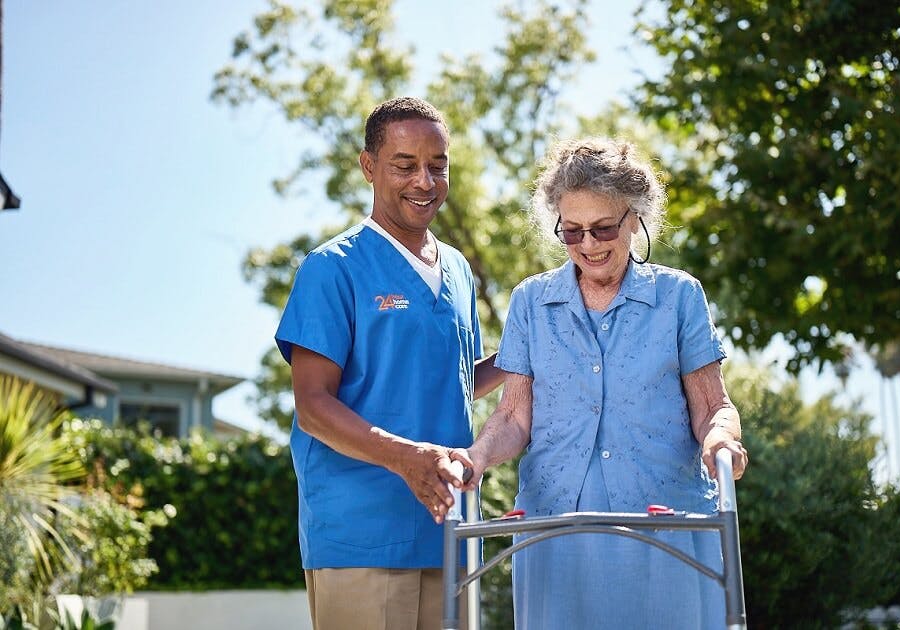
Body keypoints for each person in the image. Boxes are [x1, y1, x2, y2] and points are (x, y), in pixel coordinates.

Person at [453, 137, 749, 629]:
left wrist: (722, 437)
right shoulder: (531, 301)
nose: (588, 245)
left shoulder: (678, 296)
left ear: (635, 219)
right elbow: (512, 415)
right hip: (557, 528)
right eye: (572, 232)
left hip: (664, 525)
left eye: (603, 228)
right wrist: (477, 456)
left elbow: (712, 405)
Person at [275, 96, 503, 630]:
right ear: (369, 167)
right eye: (405, 166)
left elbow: (458, 383)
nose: (425, 181)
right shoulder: (332, 269)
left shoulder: (458, 271)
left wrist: (529, 355)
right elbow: (311, 406)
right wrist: (404, 458)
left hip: (449, 532)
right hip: (362, 537)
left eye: (438, 166)